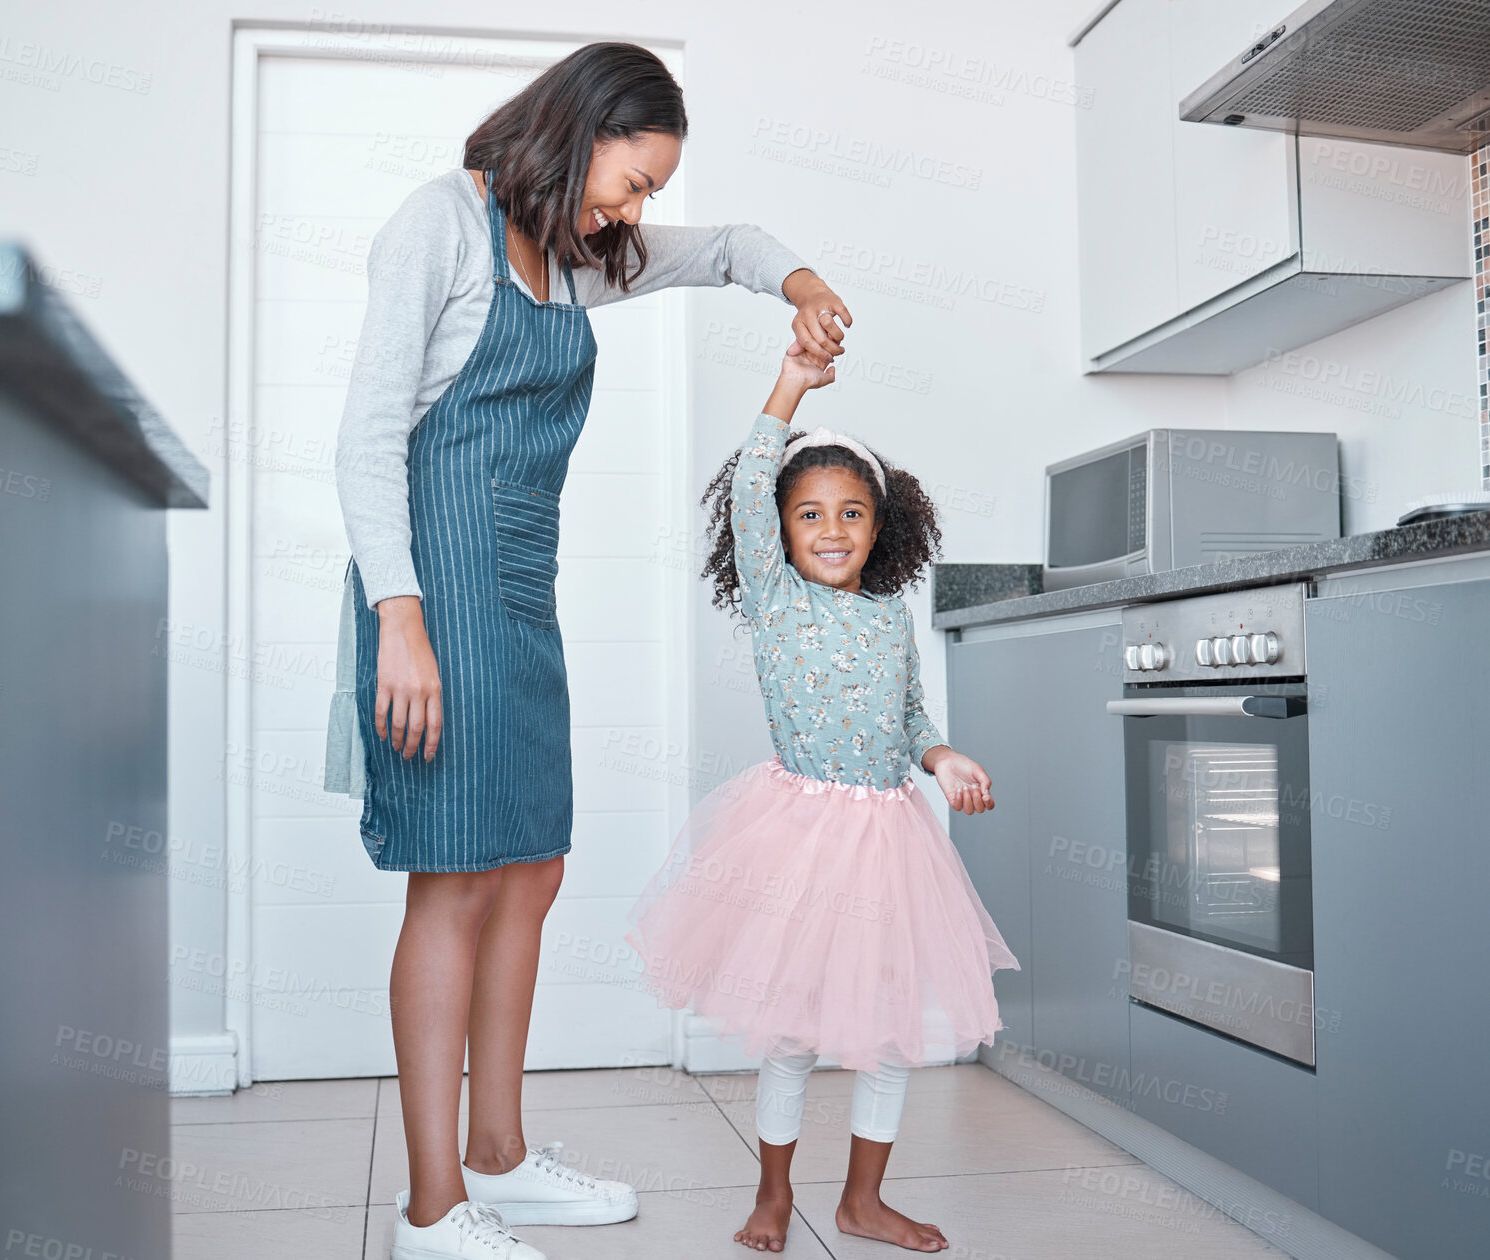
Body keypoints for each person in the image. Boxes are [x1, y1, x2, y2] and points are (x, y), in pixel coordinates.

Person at [323, 41, 853, 1260]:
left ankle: (499, 1159)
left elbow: (730, 248)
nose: (632, 211)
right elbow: (365, 439)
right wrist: (399, 618)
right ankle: (430, 1207)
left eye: (648, 193)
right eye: (632, 181)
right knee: (453, 876)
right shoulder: (438, 229)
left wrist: (805, 285)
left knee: (531, 868)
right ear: (580, 131)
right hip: (434, 585)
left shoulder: (569, 256)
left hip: (520, 584)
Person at [625, 332, 1020, 1253]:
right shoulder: (775, 598)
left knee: (888, 1031)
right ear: (778, 530)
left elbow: (911, 720)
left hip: (889, 843)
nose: (832, 529)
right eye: (808, 515)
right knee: (793, 1033)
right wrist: (789, 387)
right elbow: (747, 489)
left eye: (850, 513)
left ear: (881, 529)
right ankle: (772, 1194)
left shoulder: (888, 617)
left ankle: (861, 1202)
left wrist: (943, 759)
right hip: (797, 838)